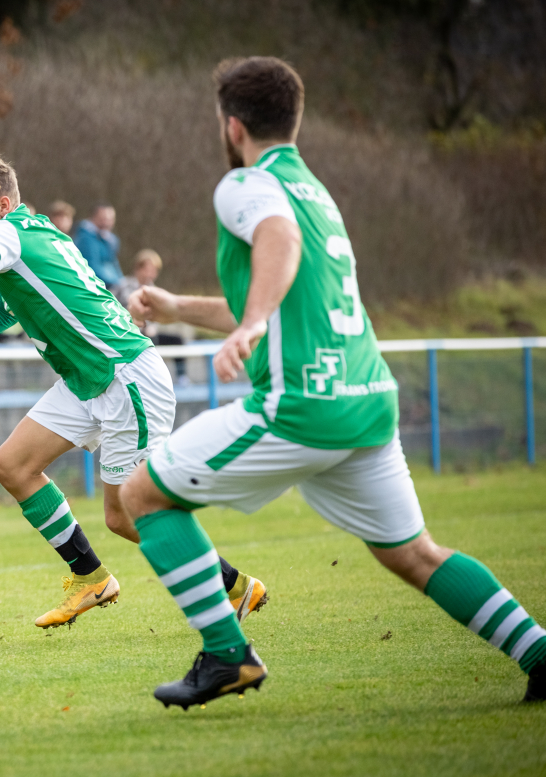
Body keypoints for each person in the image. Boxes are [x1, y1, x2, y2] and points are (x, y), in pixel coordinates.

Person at [122, 56, 546, 708]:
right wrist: (183, 309)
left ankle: (228, 655)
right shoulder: (315, 191)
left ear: (233, 127)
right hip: (366, 401)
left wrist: (252, 324)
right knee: (415, 554)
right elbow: (284, 290)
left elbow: (278, 243)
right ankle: (539, 652)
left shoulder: (245, 184)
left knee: (143, 495)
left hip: (303, 404)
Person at [0, 153, 266, 630]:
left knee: (127, 515)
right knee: (12, 466)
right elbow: (10, 308)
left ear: (2, 204)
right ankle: (90, 577)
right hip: (86, 380)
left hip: (124, 377)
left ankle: (234, 586)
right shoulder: (37, 231)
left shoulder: (4, 233)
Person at [115, 249, 189, 385]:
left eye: (155, 270)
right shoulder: (123, 285)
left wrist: (152, 326)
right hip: (128, 333)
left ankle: (181, 377)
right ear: (138, 268)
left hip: (148, 332)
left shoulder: (154, 290)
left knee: (177, 339)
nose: (152, 274)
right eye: (149, 270)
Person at [73, 203, 122, 289]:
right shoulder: (86, 239)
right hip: (93, 286)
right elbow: (92, 268)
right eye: (103, 219)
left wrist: (122, 282)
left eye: (110, 219)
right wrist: (116, 283)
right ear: (94, 218)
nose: (107, 223)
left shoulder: (109, 240)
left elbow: (114, 264)